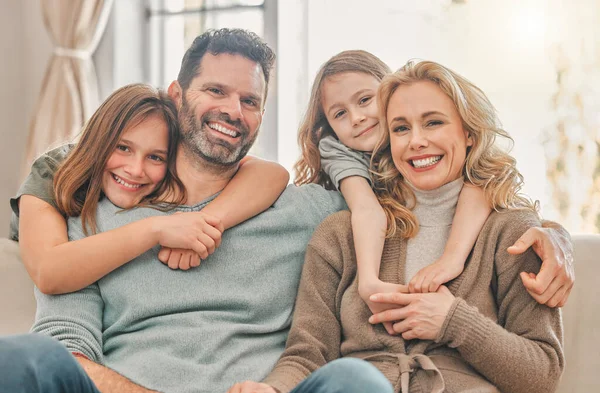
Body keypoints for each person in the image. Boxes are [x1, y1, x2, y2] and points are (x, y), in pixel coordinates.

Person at [0, 32, 572, 393]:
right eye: (215, 92)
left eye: (250, 101)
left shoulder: (312, 212)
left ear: (264, 117)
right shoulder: (93, 212)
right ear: (177, 96)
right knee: (18, 358)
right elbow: (63, 344)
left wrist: (552, 234)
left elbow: (436, 190)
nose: (232, 110)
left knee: (353, 380)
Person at [233, 60, 564, 393]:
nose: (416, 141)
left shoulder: (514, 234)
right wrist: (273, 388)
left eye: (433, 123)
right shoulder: (340, 234)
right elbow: (307, 355)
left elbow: (541, 374)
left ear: (468, 133)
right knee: (352, 378)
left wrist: (453, 321)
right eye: (401, 128)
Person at [9, 82, 289, 295]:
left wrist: (202, 224)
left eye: (155, 157)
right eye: (122, 148)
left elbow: (270, 172)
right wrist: (156, 229)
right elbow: (48, 273)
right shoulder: (56, 170)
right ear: (99, 140)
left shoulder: (173, 170)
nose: (135, 169)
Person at [293, 50, 492, 332]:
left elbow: (481, 179)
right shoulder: (337, 149)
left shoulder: (422, 136)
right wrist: (369, 281)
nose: (357, 118)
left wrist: (452, 259)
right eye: (340, 114)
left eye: (365, 100)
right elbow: (366, 207)